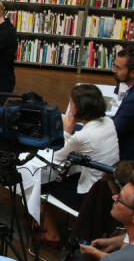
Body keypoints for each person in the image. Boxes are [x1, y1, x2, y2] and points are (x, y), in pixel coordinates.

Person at [41, 84, 120, 245]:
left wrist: (68, 127)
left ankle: (52, 234)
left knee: (39, 185)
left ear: (78, 109)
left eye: (71, 104)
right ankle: (41, 222)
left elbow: (56, 156)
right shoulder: (108, 122)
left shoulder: (83, 136)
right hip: (109, 188)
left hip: (89, 196)